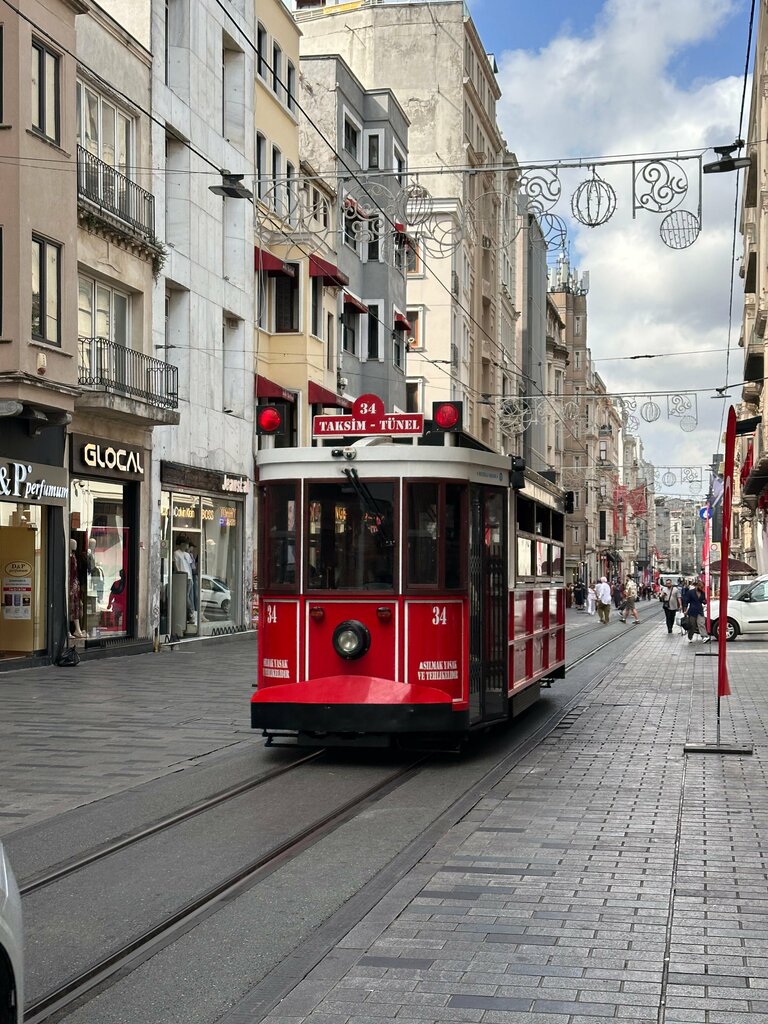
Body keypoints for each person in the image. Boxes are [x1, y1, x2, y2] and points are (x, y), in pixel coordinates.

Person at [68, 538, 85, 638]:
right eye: (73, 543)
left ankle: (77, 630)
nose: (75, 545)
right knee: (70, 608)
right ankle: (69, 630)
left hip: (75, 585)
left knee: (76, 607)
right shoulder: (68, 557)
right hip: (70, 585)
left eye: (76, 543)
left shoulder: (73, 556)